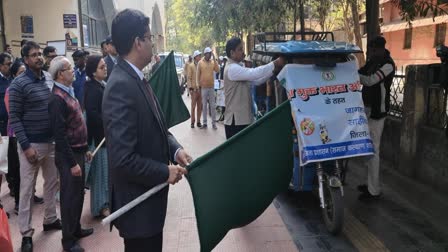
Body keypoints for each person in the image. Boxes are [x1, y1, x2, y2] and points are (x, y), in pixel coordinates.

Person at [102, 9, 191, 252]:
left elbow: (156, 125)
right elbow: (123, 159)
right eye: (149, 37)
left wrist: (175, 150)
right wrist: (164, 171)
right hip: (137, 207)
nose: (152, 42)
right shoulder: (121, 86)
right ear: (137, 43)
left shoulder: (137, 78)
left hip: (150, 204)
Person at [9, 41, 61, 252]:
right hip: (31, 145)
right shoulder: (18, 85)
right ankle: (26, 234)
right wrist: (26, 146)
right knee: (27, 190)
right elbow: (15, 118)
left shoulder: (48, 78)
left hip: (51, 142)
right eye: (34, 55)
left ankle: (50, 219)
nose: (39, 57)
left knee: (51, 184)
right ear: (25, 59)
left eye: (40, 54)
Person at [48, 56, 94, 252]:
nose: (73, 70)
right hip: (68, 157)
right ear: (60, 74)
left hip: (78, 152)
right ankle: (68, 241)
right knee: (69, 198)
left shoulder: (68, 92)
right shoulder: (57, 98)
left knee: (78, 194)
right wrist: (73, 163)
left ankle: (75, 230)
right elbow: (59, 135)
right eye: (69, 68)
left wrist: (85, 150)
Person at [223, 37, 285, 139]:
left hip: (242, 119)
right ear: (232, 53)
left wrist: (273, 71)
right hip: (236, 121)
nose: (243, 52)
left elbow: (256, 81)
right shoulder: (232, 69)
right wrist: (274, 63)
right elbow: (254, 73)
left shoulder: (238, 67)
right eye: (240, 49)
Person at [357, 36, 395, 201]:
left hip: (377, 112)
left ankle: (374, 190)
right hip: (367, 108)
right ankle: (370, 184)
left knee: (374, 150)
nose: (370, 53)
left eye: (373, 50)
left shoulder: (388, 64)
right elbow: (361, 72)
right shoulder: (373, 61)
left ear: (380, 49)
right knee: (366, 147)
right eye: (369, 50)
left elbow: (371, 80)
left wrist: (354, 77)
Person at [84, 55, 110, 217]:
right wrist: (107, 123)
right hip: (98, 136)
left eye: (105, 65)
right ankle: (101, 206)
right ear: (94, 72)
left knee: (106, 171)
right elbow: (92, 114)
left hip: (105, 134)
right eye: (101, 67)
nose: (105, 68)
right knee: (100, 172)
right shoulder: (91, 88)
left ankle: (106, 202)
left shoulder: (101, 85)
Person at [4, 61, 26, 215]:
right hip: (15, 134)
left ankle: (29, 196)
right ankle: (19, 202)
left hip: (28, 132)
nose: (23, 76)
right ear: (13, 75)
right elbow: (13, 114)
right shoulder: (10, 91)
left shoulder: (28, 88)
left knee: (28, 170)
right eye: (20, 73)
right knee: (17, 169)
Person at [197, 47, 219, 129]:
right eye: (208, 53)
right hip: (203, 87)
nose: (209, 55)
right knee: (204, 106)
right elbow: (197, 75)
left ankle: (214, 123)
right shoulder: (200, 63)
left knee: (213, 106)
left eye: (210, 53)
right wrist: (198, 85)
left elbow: (217, 70)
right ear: (205, 54)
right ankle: (205, 123)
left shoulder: (213, 62)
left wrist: (214, 58)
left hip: (211, 87)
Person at [186, 50, 202, 128]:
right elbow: (189, 78)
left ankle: (198, 121)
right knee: (193, 107)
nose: (200, 57)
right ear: (195, 57)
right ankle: (192, 122)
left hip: (200, 89)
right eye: (199, 56)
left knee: (200, 107)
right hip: (194, 90)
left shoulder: (201, 65)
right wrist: (190, 88)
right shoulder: (191, 66)